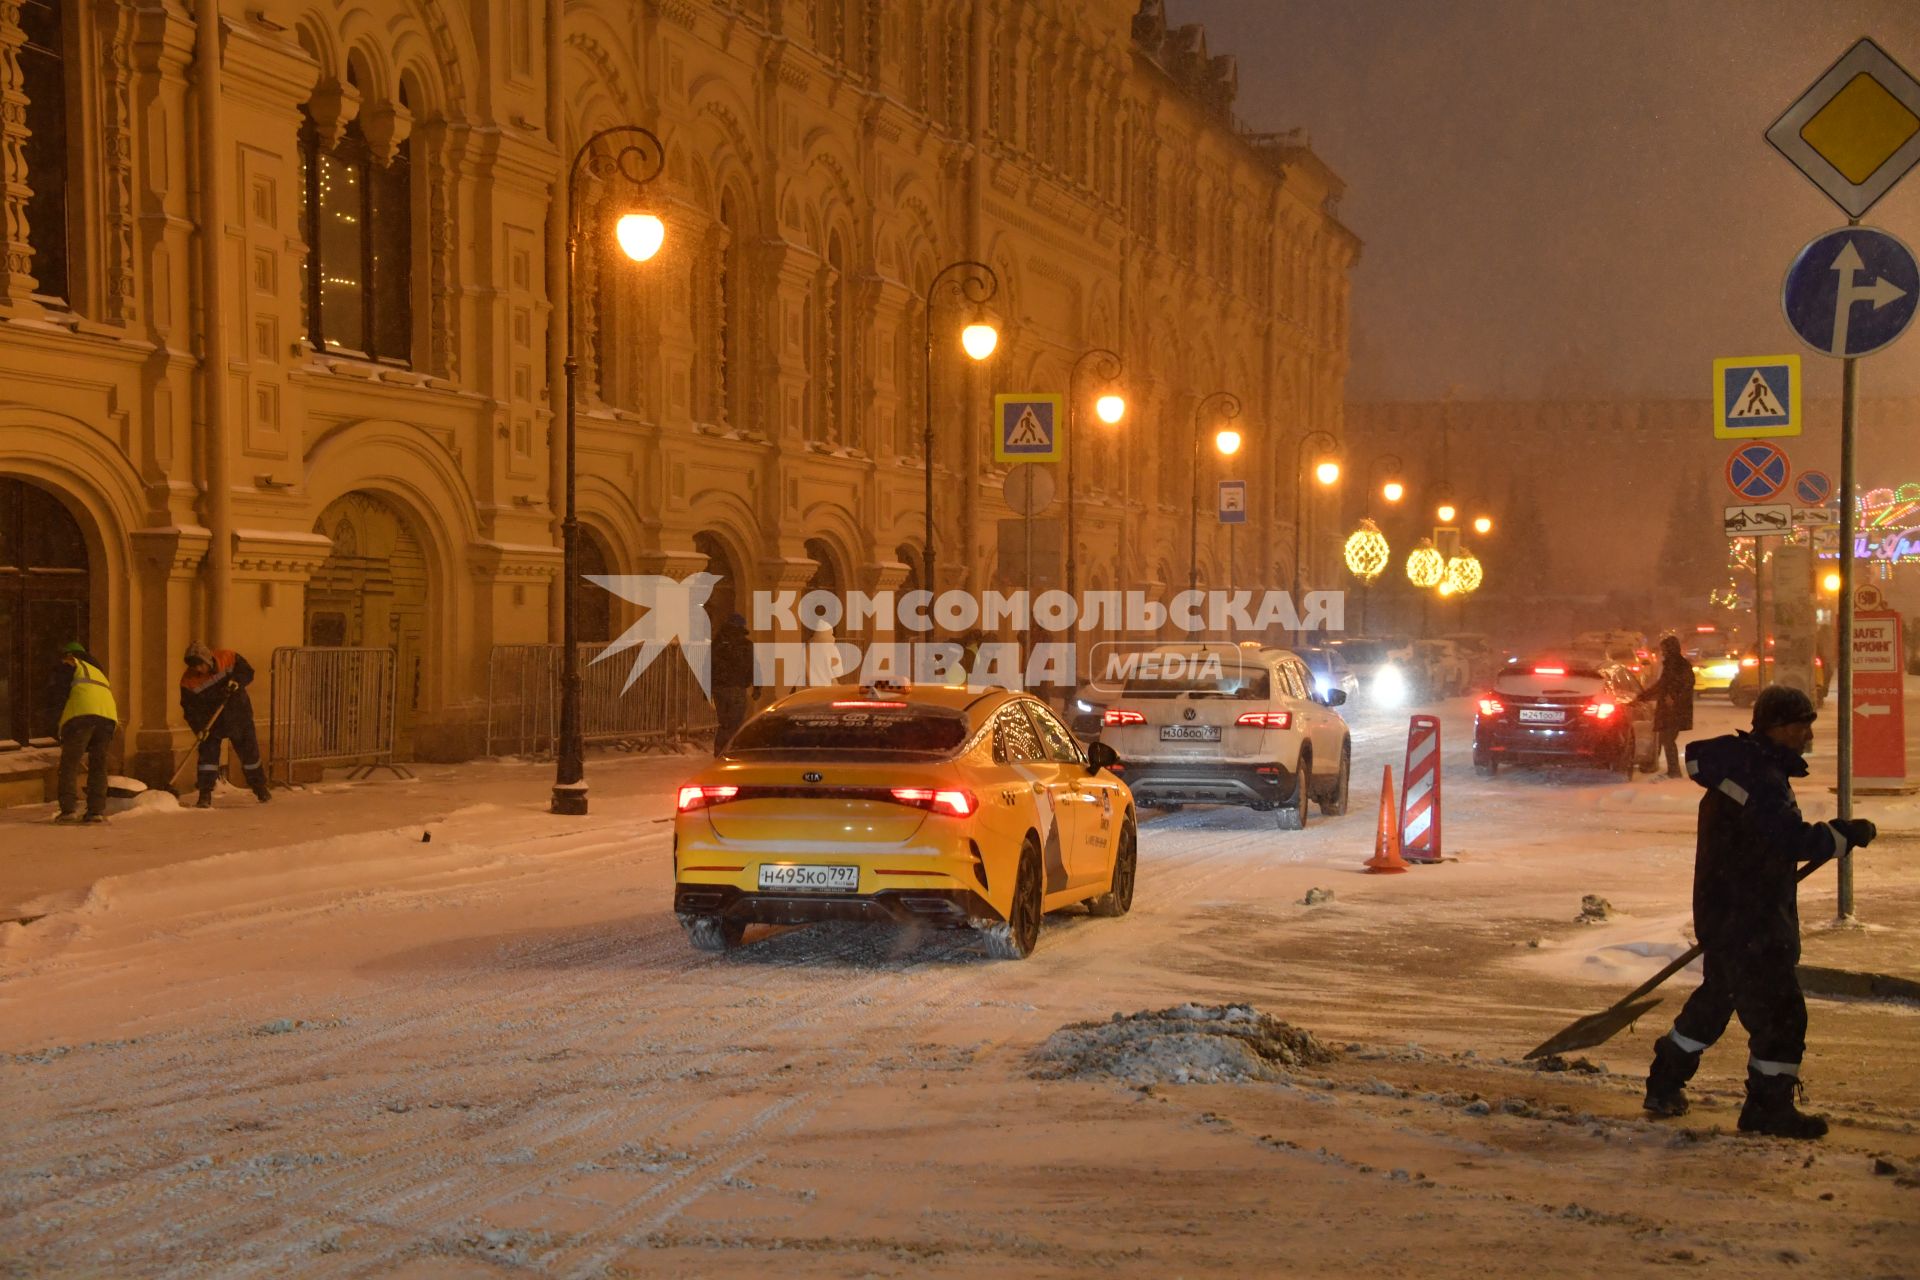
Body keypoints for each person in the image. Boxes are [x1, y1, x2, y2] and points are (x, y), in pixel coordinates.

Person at [1642, 685, 1876, 1138]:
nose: (1807, 734)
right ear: (1777, 727)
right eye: (1800, 724)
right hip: (1753, 921)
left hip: (1728, 914)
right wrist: (1845, 835)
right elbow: (1790, 839)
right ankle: (1767, 1110)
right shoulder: (1760, 778)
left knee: (1715, 1003)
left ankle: (1664, 1082)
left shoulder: (1743, 768)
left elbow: (1762, 841)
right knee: (1782, 1015)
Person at [181, 642, 270, 807]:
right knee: (207, 759)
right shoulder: (189, 682)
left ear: (208, 660)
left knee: (249, 755)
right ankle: (205, 794)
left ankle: (259, 788)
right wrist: (199, 729)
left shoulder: (228, 658)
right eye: (194, 667)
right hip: (211, 723)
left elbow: (247, 671)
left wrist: (237, 681)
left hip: (238, 715)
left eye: (200, 665)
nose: (198, 669)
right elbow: (189, 709)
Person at [49, 640, 117, 824]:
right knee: (98, 763)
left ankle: (68, 809)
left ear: (69, 654)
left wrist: (58, 725)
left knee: (69, 763)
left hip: (82, 716)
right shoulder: (97, 669)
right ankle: (96, 811)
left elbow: (59, 695)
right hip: (108, 717)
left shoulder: (69, 664)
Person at [1638, 634, 1694, 778]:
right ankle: (1661, 767)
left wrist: (1673, 697)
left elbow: (1684, 685)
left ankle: (1673, 771)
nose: (1662, 652)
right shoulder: (1672, 664)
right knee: (1665, 738)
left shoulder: (1678, 665)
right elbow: (1662, 685)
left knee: (1667, 738)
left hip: (1674, 710)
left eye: (1664, 649)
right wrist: (1644, 696)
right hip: (1671, 709)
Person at [710, 613, 757, 754]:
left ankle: (720, 749)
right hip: (737, 687)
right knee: (735, 722)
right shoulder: (746, 645)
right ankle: (730, 749)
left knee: (724, 722)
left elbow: (709, 666)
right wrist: (757, 687)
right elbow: (754, 666)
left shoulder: (717, 644)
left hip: (720, 689)